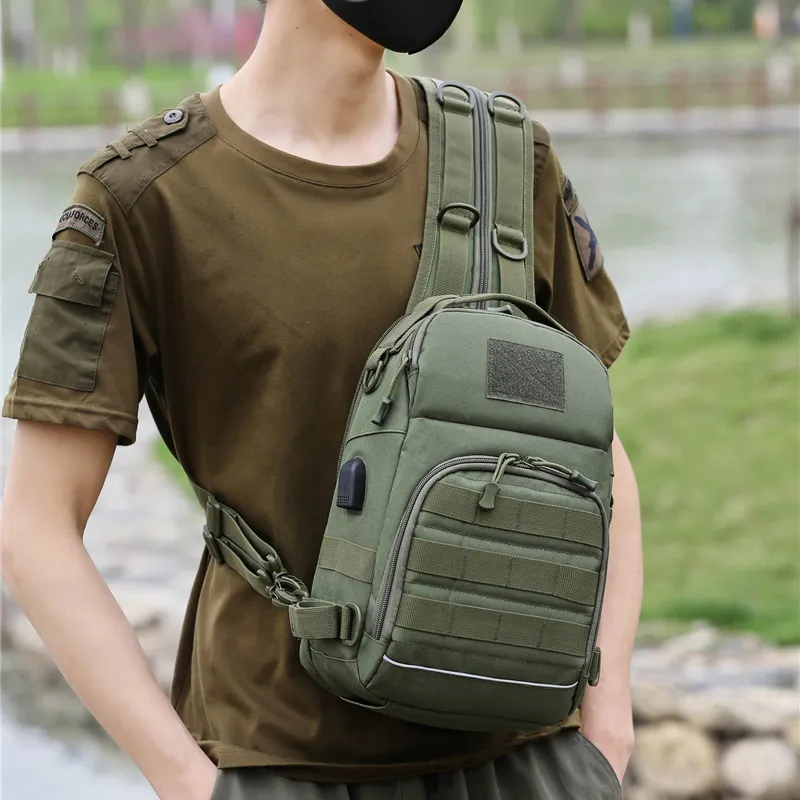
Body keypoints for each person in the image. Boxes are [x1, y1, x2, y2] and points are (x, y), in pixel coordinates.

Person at [1, 1, 643, 798]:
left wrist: (606, 725)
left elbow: (598, 458)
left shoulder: (503, 161)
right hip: (283, 763)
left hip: (528, 761)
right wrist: (191, 784)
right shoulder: (142, 197)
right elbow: (36, 529)